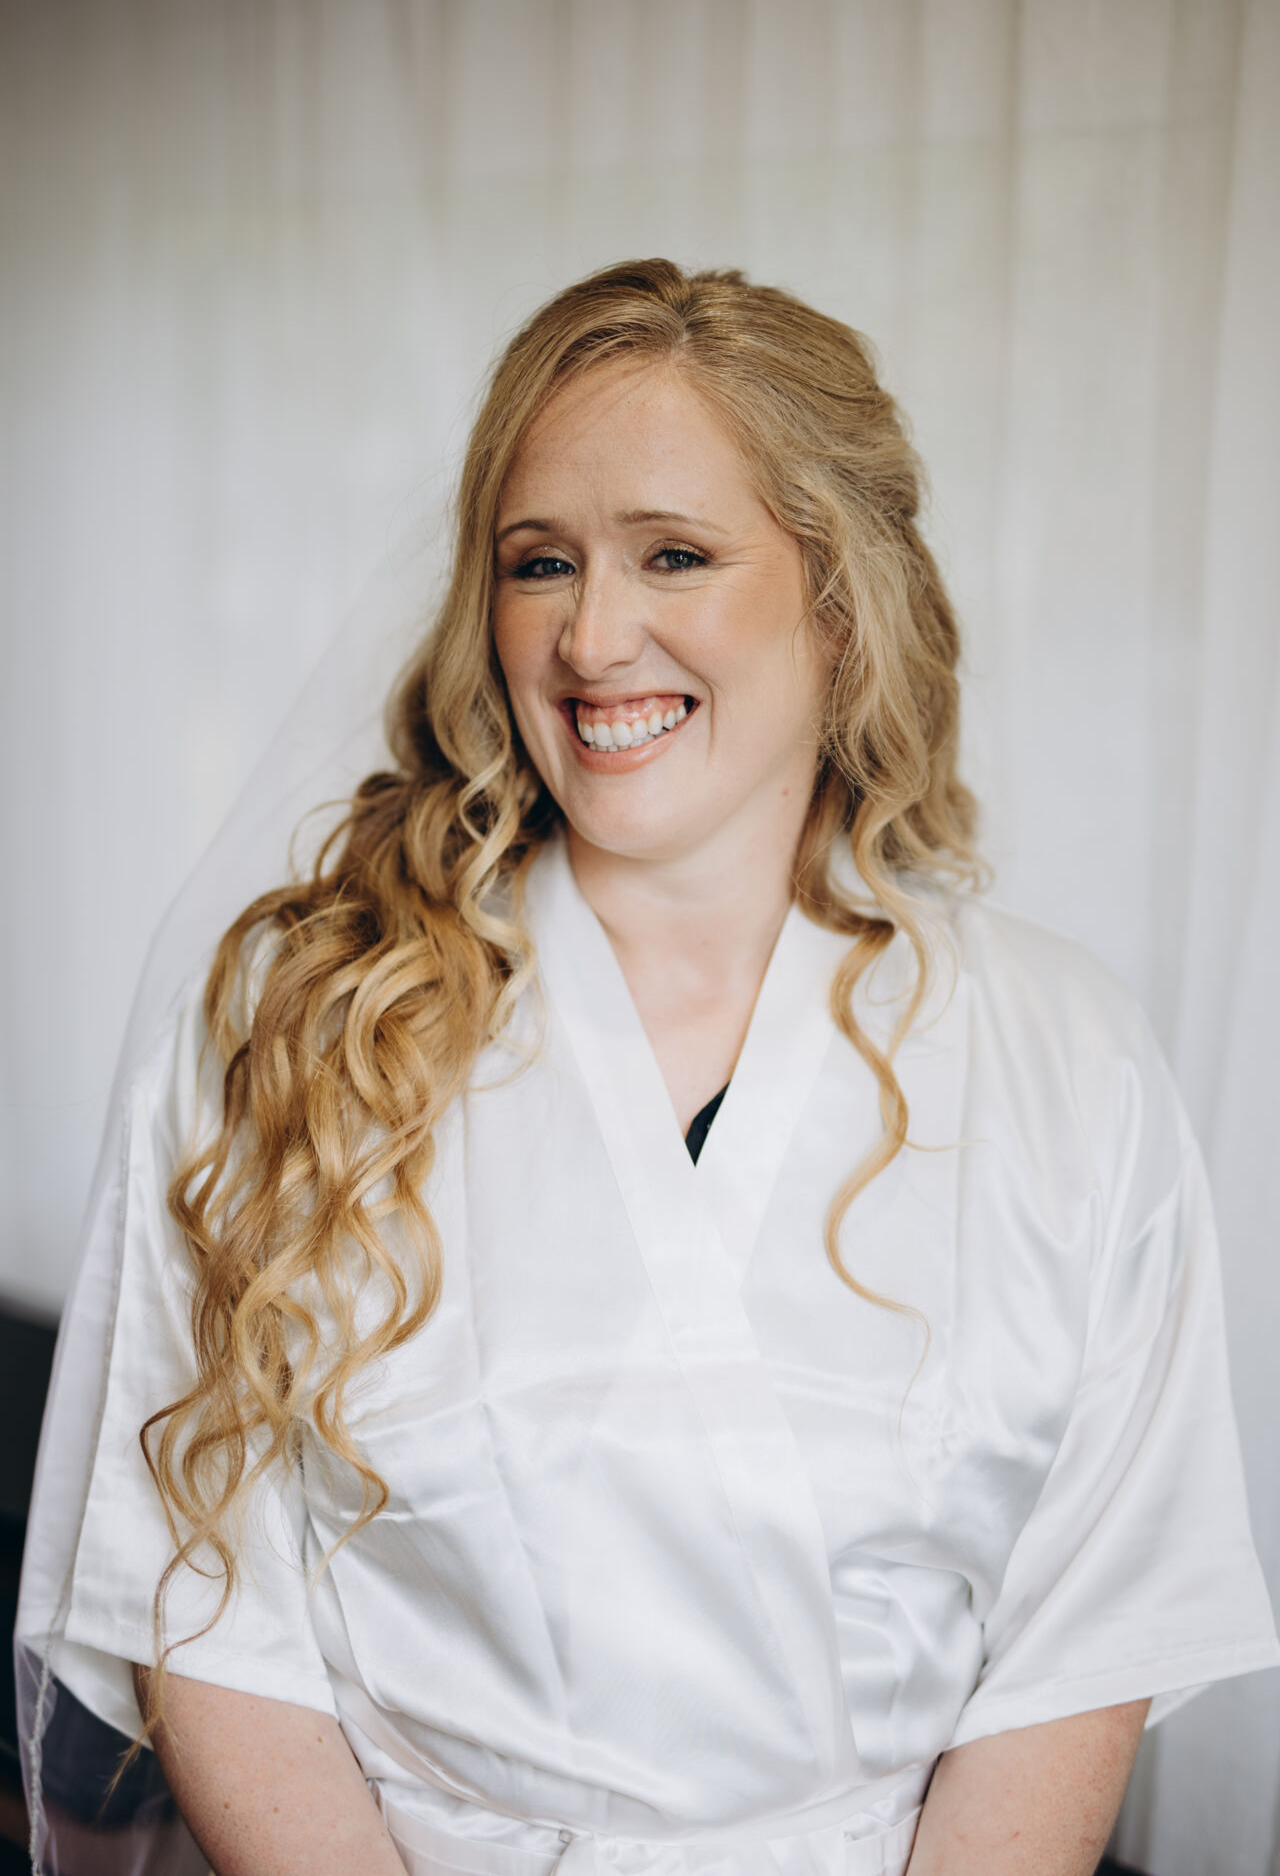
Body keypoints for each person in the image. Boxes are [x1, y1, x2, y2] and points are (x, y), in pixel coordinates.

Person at [16, 259, 1279, 1876]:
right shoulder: (297, 1024)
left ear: (840, 598)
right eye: (538, 563)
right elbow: (199, 1595)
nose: (592, 638)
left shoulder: (1071, 1064)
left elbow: (1086, 1633)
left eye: (673, 554)